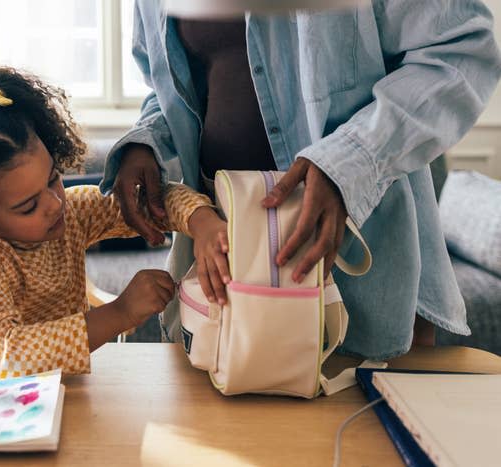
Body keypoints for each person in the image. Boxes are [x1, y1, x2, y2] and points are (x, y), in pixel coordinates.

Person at [101, 1, 501, 359]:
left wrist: (347, 161)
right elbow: (170, 89)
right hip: (228, 266)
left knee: (369, 438)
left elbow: (463, 52)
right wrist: (147, 142)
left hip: (359, 261)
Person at [0, 66, 229, 379]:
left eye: (53, 179)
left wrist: (200, 220)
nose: (54, 204)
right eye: (27, 206)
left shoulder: (71, 211)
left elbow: (153, 200)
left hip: (68, 394)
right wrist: (119, 313)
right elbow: (5, 355)